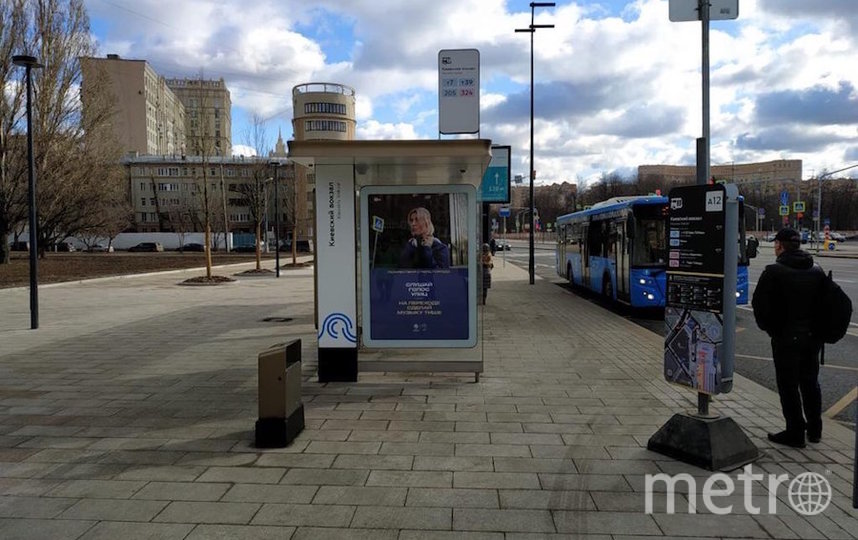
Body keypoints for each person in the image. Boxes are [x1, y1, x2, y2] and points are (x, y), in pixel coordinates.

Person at [752, 227, 826, 448]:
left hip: (785, 339)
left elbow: (760, 306)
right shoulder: (816, 269)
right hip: (813, 338)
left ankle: (795, 432)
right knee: (810, 382)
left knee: (788, 385)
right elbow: (827, 303)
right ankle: (815, 430)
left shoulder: (774, 271)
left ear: (779, 246)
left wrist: (771, 330)